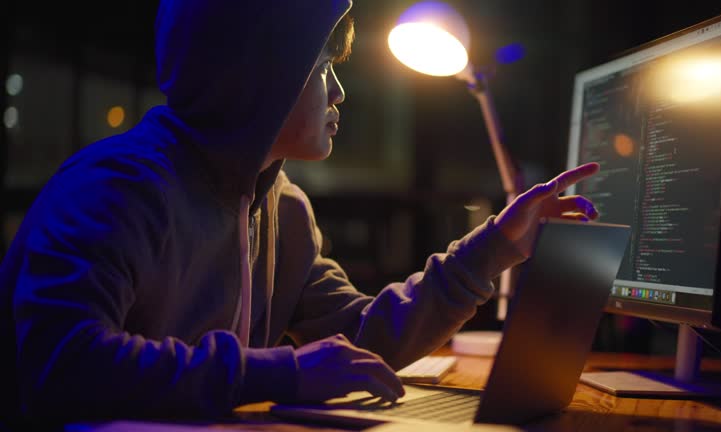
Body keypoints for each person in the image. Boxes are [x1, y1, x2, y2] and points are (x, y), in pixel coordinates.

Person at [0, 0, 600, 423]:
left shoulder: (283, 208)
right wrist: (277, 374)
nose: (338, 92)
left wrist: (497, 245)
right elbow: (62, 366)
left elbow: (362, 341)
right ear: (259, 76)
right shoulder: (115, 189)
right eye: (321, 68)